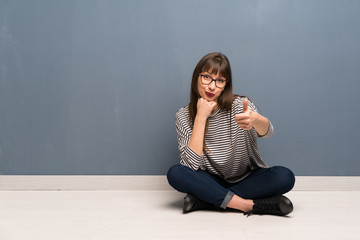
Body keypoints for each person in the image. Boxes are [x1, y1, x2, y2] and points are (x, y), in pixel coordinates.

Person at [167, 52, 295, 216]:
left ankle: (205, 200)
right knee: (176, 173)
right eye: (206, 77)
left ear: (225, 85)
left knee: (285, 176)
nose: (212, 86)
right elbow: (190, 165)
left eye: (220, 81)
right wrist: (200, 117)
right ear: (196, 78)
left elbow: (268, 132)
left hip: (246, 178)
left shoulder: (239, 105)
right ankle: (247, 205)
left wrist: (256, 119)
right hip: (209, 178)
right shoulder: (183, 115)